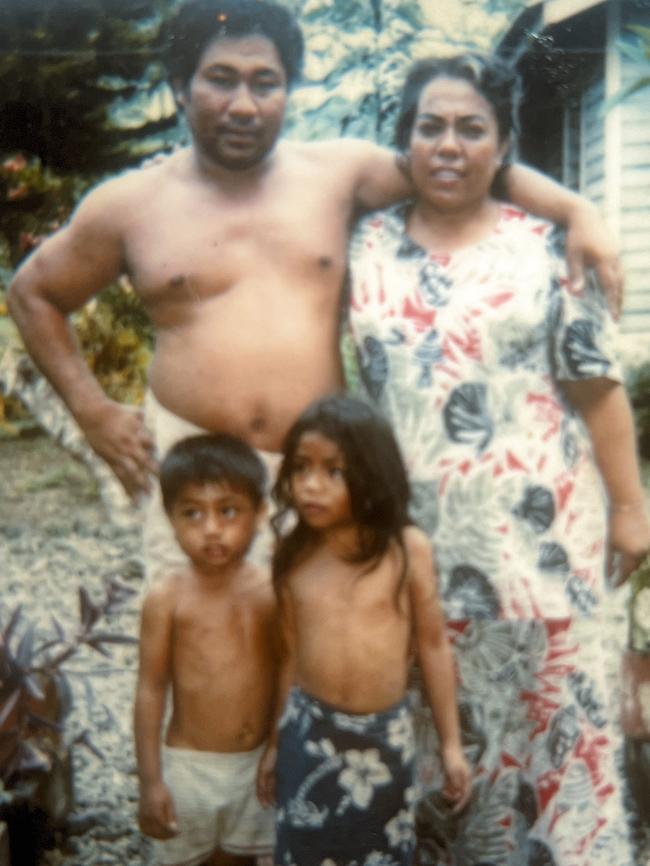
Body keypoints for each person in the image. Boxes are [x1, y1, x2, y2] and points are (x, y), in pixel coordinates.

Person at [7, 0, 624, 583]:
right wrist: (92, 410)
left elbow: (457, 165)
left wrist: (577, 211)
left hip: (322, 475)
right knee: (208, 665)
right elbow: (34, 292)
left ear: (288, 92)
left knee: (327, 666)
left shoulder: (339, 173)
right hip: (197, 479)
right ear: (180, 87)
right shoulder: (128, 205)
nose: (243, 105)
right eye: (220, 79)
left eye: (265, 83)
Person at [346, 53, 650, 866]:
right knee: (448, 758)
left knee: (558, 745)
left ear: (504, 143)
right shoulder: (364, 244)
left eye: (472, 129)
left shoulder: (552, 246)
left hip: (547, 554)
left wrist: (630, 506)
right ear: (404, 140)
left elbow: (596, 385)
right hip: (418, 553)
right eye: (430, 126)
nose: (449, 145)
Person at [256, 395, 471, 866]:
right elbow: (288, 658)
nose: (311, 485)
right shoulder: (292, 558)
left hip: (384, 742)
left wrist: (451, 745)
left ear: (372, 474)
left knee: (382, 853)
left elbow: (434, 646)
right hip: (310, 738)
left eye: (334, 471)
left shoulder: (405, 549)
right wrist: (275, 745)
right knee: (305, 850)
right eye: (301, 468)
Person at [134, 433, 276, 866]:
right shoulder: (168, 597)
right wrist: (151, 781)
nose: (211, 529)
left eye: (228, 511)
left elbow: (288, 670)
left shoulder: (271, 592)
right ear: (171, 519)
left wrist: (276, 745)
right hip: (190, 770)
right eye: (192, 513)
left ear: (259, 513)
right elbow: (150, 689)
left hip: (255, 768)